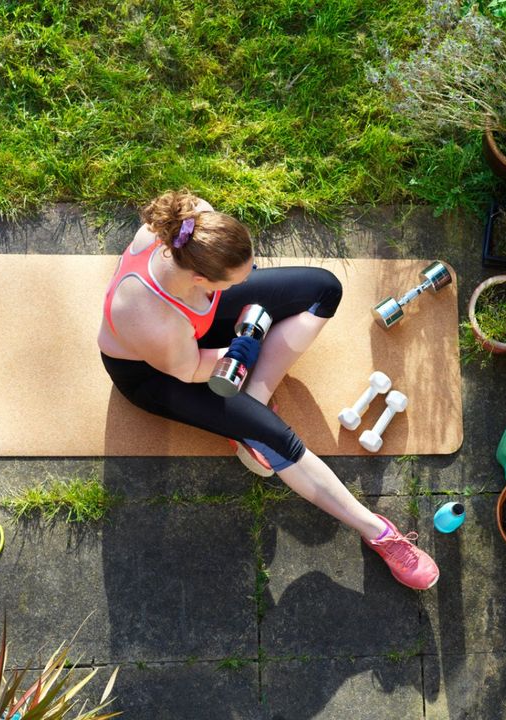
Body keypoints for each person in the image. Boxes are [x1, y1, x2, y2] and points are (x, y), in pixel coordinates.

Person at [97, 190, 439, 590]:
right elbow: (191, 369)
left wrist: (245, 341)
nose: (252, 276)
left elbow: (231, 279)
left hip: (193, 323)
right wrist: (241, 347)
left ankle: (252, 402)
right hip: (156, 374)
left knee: (323, 289)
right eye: (239, 278)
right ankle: (378, 532)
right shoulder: (150, 319)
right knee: (278, 438)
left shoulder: (192, 223)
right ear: (202, 279)